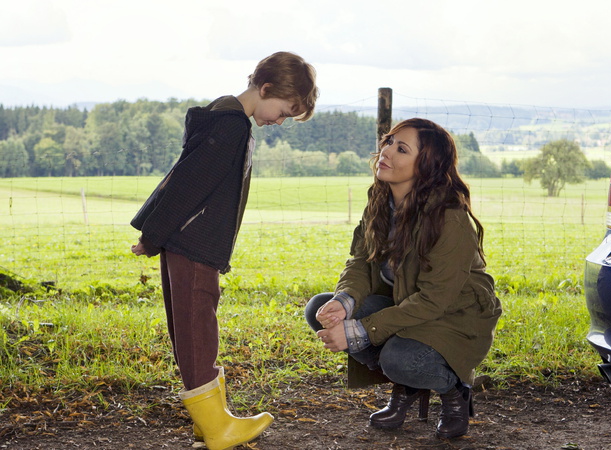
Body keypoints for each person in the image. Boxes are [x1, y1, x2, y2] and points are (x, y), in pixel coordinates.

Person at [130, 51, 318, 450]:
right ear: (265, 88)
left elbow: (180, 175)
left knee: (189, 324)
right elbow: (187, 184)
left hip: (183, 238)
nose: (280, 121)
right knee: (199, 324)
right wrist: (154, 233)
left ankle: (208, 420)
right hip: (195, 241)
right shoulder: (232, 127)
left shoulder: (222, 116)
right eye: (284, 110)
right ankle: (217, 427)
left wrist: (154, 231)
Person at [305, 118, 501, 440]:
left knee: (398, 358)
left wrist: (359, 331)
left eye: (402, 149)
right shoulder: (382, 200)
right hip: (405, 303)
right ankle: (407, 384)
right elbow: (360, 261)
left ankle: (454, 390)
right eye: (388, 141)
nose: (386, 152)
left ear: (425, 166)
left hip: (453, 317)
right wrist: (345, 302)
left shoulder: (449, 218)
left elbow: (434, 301)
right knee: (320, 308)